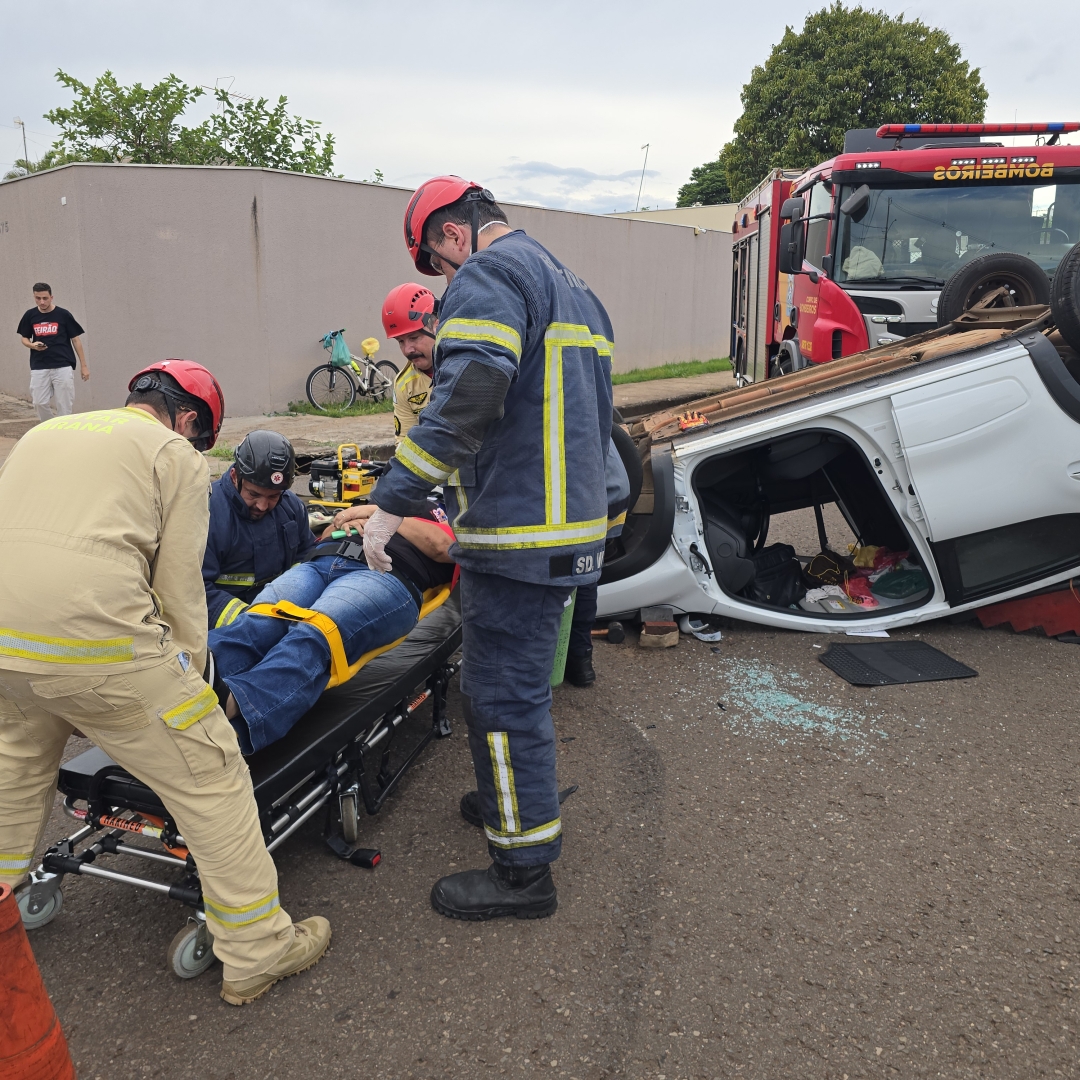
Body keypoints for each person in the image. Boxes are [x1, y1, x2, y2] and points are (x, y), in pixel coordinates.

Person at [0, 359, 330, 1006]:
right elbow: (180, 593)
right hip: (98, 644)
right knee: (213, 776)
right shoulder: (172, 454)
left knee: (14, 773)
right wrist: (195, 686)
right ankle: (259, 949)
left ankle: (3, 903)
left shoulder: (44, 434)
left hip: (6, 643)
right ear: (187, 420)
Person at [362, 176, 614, 921]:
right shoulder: (574, 284)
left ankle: (523, 873)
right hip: (567, 527)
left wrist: (388, 505)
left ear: (449, 235)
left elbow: (466, 396)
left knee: (502, 697)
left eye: (436, 268)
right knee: (517, 687)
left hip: (518, 533)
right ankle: (506, 797)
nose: (443, 285)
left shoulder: (489, 276)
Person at [207, 504, 456, 754]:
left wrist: (379, 514)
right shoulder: (381, 502)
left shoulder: (442, 512)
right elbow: (326, 534)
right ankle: (187, 679)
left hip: (385, 573)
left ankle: (232, 708)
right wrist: (342, 524)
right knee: (259, 621)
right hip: (320, 562)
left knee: (315, 634)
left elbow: (442, 546)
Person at [203, 430, 316, 629]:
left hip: (281, 618)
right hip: (223, 628)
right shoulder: (207, 514)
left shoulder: (292, 508)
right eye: (253, 494)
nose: (263, 506)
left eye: (273, 496)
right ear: (234, 476)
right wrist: (250, 622)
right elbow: (197, 590)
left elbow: (307, 562)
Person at [563, 433, 631, 688]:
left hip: (594, 497)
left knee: (567, 573)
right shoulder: (586, 400)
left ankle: (567, 660)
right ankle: (581, 663)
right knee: (586, 572)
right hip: (613, 490)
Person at [16, 282, 90, 422]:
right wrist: (32, 345)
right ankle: (51, 426)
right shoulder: (30, 315)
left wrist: (84, 366)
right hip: (39, 365)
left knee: (64, 405)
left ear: (51, 297)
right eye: (38, 298)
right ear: (34, 297)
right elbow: (24, 338)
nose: (42, 302)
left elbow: (76, 340)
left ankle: (63, 432)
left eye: (45, 298)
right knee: (39, 402)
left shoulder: (63, 314)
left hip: (63, 365)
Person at [382, 282, 438, 442]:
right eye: (400, 341)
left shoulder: (466, 366)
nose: (408, 350)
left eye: (414, 338)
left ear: (436, 326)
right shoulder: (404, 385)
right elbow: (405, 443)